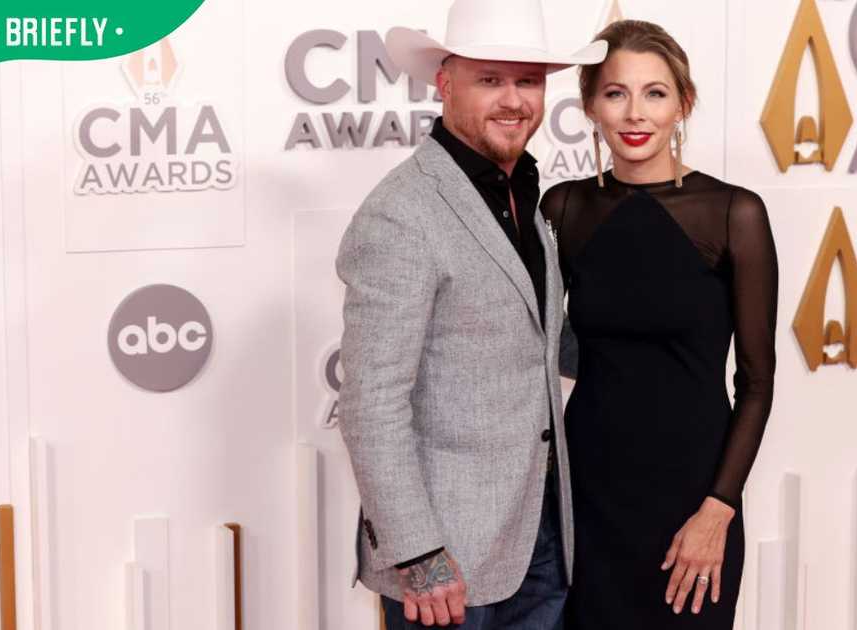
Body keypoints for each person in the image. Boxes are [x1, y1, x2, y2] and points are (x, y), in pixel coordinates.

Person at [334, 0, 606, 627]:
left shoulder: (523, 196)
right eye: (491, 79)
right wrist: (419, 555)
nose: (514, 100)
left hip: (540, 537)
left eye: (529, 81)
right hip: (444, 562)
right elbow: (370, 404)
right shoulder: (401, 213)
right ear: (446, 84)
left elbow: (538, 343)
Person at [540, 20, 779, 629]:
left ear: (684, 104)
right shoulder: (563, 208)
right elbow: (540, 344)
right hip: (589, 494)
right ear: (590, 105)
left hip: (694, 496)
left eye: (655, 93)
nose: (634, 113)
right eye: (615, 93)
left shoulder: (733, 213)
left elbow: (755, 382)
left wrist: (718, 509)